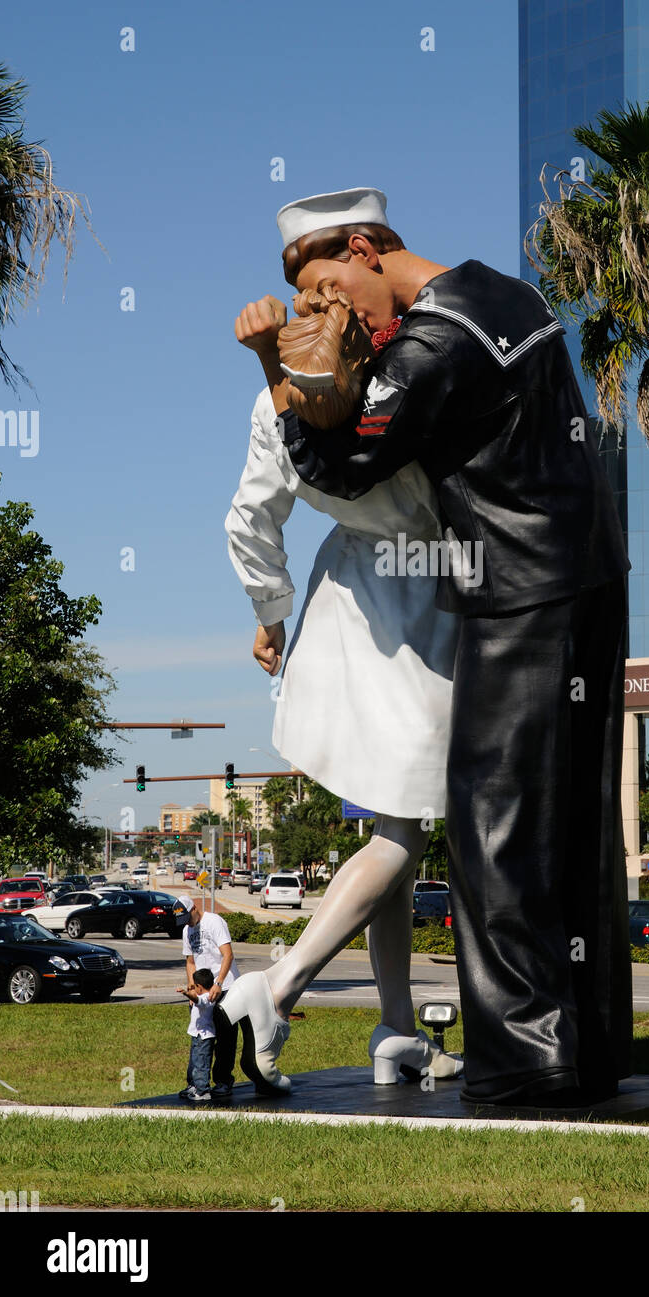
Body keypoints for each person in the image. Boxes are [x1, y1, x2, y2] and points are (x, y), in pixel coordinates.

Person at [262, 187, 634, 1110]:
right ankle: (591, 1046)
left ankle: (521, 1064)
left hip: (516, 589)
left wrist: (281, 381)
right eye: (310, 304)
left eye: (326, 288)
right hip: (590, 572)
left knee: (491, 829)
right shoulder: (508, 296)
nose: (324, 314)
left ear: (365, 246)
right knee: (576, 824)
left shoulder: (433, 342)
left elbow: (342, 462)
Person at [221, 276, 464, 1094]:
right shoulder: (413, 382)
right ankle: (277, 986)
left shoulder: (275, 406)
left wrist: (271, 611)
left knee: (400, 832)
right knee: (401, 832)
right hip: (415, 607)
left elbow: (251, 516)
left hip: (348, 603)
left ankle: (397, 1027)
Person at [179, 897, 241, 1097]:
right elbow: (190, 962)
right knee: (199, 1037)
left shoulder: (214, 921)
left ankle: (223, 1081)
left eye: (187, 917)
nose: (186, 922)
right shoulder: (186, 930)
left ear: (194, 908)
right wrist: (192, 988)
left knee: (225, 1038)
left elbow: (228, 954)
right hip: (202, 991)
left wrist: (219, 983)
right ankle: (196, 1083)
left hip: (225, 988)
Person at [176, 967, 217, 1103]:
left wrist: (186, 994)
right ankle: (194, 1086)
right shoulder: (206, 995)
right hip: (198, 1035)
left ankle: (203, 1091)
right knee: (195, 1061)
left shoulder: (207, 998)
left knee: (201, 1063)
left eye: (194, 985)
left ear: (199, 987)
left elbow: (197, 1000)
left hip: (204, 1037)